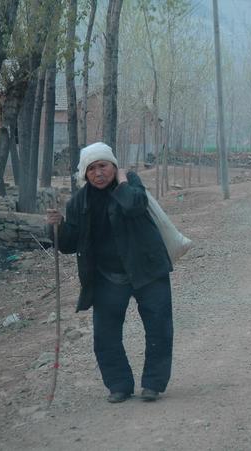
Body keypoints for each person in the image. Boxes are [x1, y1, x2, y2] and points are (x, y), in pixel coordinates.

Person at [46, 142, 173, 404]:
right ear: (85, 174)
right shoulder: (79, 202)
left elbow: (134, 206)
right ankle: (119, 385)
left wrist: (124, 180)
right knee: (105, 335)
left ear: (114, 167)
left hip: (147, 268)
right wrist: (57, 228)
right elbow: (69, 245)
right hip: (108, 276)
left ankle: (153, 384)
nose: (98, 173)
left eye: (103, 166)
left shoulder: (132, 184)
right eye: (91, 169)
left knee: (159, 327)